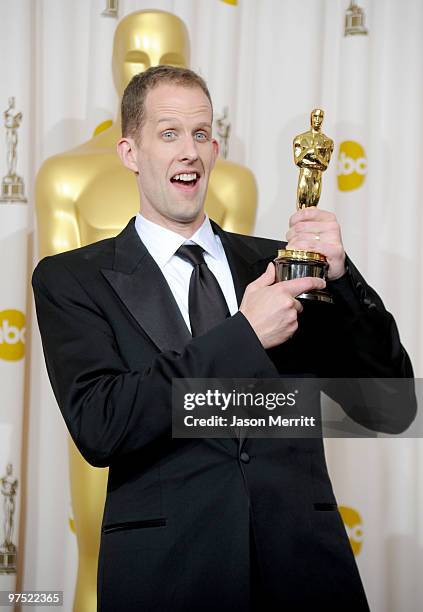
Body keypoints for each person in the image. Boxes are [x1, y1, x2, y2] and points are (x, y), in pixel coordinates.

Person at [32, 65, 415, 611]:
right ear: (129, 152)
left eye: (201, 134)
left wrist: (342, 276)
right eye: (168, 134)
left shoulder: (279, 264)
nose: (188, 150)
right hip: (167, 577)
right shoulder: (72, 278)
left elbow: (390, 406)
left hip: (305, 576)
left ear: (214, 149)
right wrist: (245, 334)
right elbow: (102, 425)